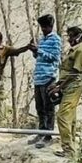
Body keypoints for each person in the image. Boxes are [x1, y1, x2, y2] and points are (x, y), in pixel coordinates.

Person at [53, 26, 82, 156]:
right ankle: (72, 147)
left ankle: (68, 149)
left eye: (71, 36)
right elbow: (68, 70)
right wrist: (58, 83)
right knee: (71, 118)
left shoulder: (81, 50)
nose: (69, 39)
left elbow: (74, 73)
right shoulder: (74, 49)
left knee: (62, 117)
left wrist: (59, 87)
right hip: (67, 86)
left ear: (78, 37)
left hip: (72, 87)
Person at [27, 14, 61, 148]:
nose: (43, 29)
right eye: (42, 27)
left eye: (45, 27)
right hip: (38, 77)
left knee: (48, 108)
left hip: (49, 77)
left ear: (50, 26)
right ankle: (41, 132)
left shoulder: (55, 40)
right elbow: (39, 57)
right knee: (39, 107)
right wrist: (34, 51)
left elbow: (55, 58)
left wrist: (39, 51)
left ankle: (48, 135)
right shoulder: (42, 39)